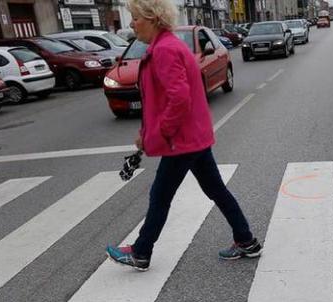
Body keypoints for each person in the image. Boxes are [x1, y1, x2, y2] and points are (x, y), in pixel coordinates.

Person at [107, 0, 262, 271]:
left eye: (134, 18)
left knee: (160, 196)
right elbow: (164, 98)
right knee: (215, 190)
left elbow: (179, 99)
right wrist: (147, 133)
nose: (131, 24)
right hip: (192, 137)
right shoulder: (166, 46)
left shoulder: (165, 50)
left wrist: (160, 133)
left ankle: (141, 252)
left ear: (152, 18)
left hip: (181, 141)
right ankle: (246, 241)